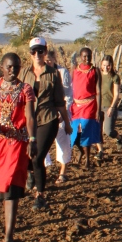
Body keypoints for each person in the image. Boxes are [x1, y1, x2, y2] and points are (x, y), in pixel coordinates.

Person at [0, 53, 36, 242]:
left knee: (12, 187)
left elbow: (29, 117)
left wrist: (32, 139)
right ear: (2, 67)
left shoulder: (26, 89)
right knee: (1, 186)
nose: (13, 70)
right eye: (9, 67)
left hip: (17, 145)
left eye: (17, 67)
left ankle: (8, 237)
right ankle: (8, 232)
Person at [18, 37, 72, 210]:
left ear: (45, 51)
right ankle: (32, 174)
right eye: (33, 51)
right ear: (30, 54)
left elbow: (59, 102)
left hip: (48, 118)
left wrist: (68, 122)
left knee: (38, 156)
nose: (37, 54)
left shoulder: (53, 74)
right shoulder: (24, 74)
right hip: (28, 120)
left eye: (40, 51)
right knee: (26, 157)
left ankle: (40, 196)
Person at [44, 49, 73, 184]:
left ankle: (63, 172)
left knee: (63, 140)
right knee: (42, 142)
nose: (47, 63)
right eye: (45, 61)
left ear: (54, 59)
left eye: (49, 60)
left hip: (61, 111)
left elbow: (68, 95)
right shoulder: (39, 73)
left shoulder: (62, 72)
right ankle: (43, 169)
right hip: (45, 113)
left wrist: (63, 113)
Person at [70, 47, 102, 167]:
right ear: (80, 57)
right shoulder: (74, 70)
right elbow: (69, 88)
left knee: (85, 129)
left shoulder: (95, 71)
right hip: (76, 105)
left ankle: (87, 160)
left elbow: (98, 90)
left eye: (89, 56)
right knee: (75, 133)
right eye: (84, 56)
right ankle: (81, 152)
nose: (87, 58)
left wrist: (98, 109)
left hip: (90, 105)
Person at [97, 55, 122, 157]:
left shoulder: (115, 77)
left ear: (112, 65)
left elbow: (116, 94)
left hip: (109, 106)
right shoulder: (98, 75)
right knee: (97, 130)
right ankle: (101, 151)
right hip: (99, 106)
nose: (106, 67)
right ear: (101, 65)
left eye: (108, 65)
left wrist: (112, 107)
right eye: (104, 65)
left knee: (108, 131)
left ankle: (119, 138)